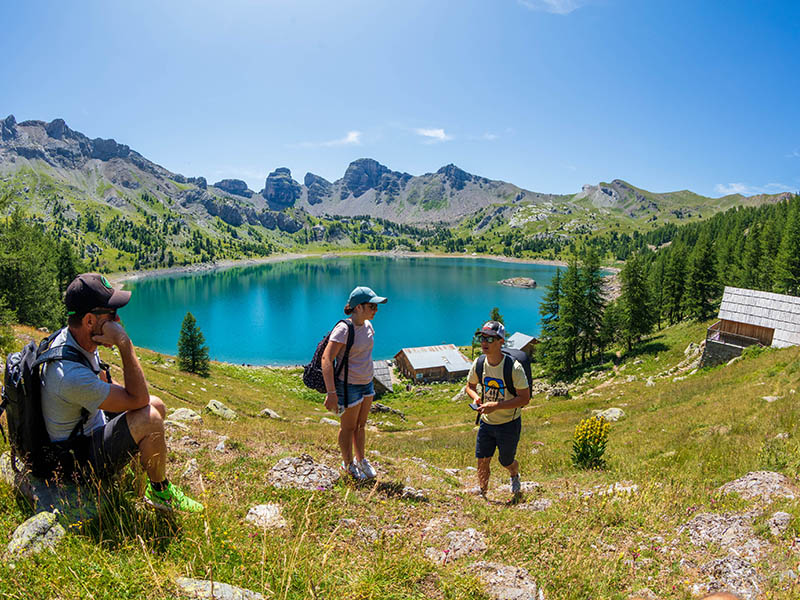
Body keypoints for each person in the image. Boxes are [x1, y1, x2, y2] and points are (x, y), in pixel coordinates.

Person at [40, 273, 203, 512]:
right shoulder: (70, 375)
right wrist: (124, 343)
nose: (117, 319)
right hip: (75, 462)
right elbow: (138, 399)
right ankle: (160, 493)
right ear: (89, 321)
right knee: (149, 417)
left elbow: (113, 386)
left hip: (85, 434)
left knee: (156, 406)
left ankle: (145, 474)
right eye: (111, 314)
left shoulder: (75, 340)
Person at [321, 286, 387, 481]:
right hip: (348, 386)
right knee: (348, 427)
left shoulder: (368, 326)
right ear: (358, 307)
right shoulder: (343, 329)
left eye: (376, 307)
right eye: (372, 306)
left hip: (367, 383)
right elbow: (326, 359)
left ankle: (361, 459)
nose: (375, 310)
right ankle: (348, 463)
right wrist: (331, 392)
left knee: (360, 426)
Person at [465, 320, 531, 501]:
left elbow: (525, 399)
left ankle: (514, 475)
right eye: (482, 338)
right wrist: (475, 397)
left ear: (501, 341)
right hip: (487, 423)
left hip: (509, 424)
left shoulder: (513, 368)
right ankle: (483, 492)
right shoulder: (479, 363)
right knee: (482, 460)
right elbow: (469, 386)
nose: (484, 343)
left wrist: (497, 406)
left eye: (490, 339)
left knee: (506, 461)